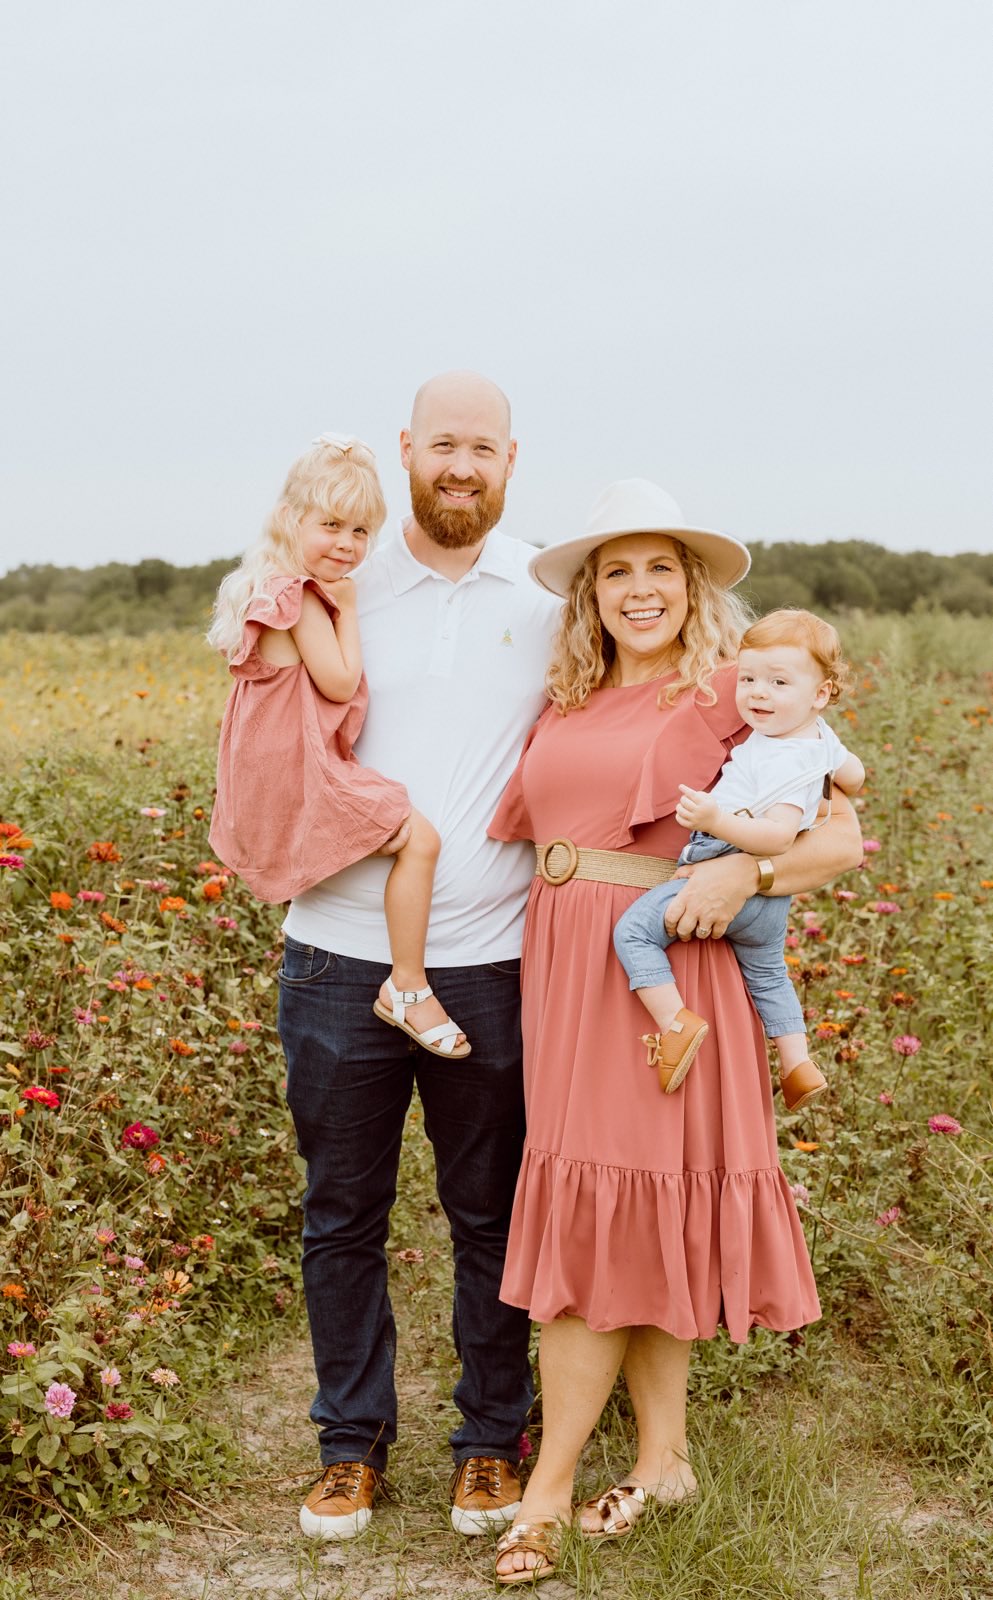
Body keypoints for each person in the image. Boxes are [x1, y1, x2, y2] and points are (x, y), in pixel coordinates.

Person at [486, 479, 863, 1584]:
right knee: (621, 1204)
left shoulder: (723, 696)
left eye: (660, 568)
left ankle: (547, 1488)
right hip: (567, 965)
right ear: (589, 595)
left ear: (690, 586)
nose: (639, 589)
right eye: (617, 571)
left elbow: (841, 832)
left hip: (669, 971)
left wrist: (747, 864)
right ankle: (665, 1458)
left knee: (610, 1208)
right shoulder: (567, 698)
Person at [274, 374, 562, 1540]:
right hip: (336, 954)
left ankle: (493, 1439)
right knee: (342, 1209)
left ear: (508, 460)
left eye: (481, 448)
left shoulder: (547, 593)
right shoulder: (337, 577)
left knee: (489, 1210)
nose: (460, 464)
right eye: (442, 442)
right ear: (405, 449)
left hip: (491, 958)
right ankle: (351, 1443)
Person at [207, 433, 469, 1058]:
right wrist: (347, 608)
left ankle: (399, 981)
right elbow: (339, 680)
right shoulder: (296, 600)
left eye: (360, 533)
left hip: (274, 769)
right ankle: (406, 986)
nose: (347, 546)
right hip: (301, 770)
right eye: (331, 526)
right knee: (422, 842)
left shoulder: (264, 586)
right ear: (292, 518)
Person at [613, 607, 865, 1110]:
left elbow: (773, 838)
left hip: (732, 861)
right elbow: (853, 776)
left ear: (820, 694)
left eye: (777, 682)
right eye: (747, 678)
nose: (757, 693)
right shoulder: (818, 739)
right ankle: (797, 1063)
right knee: (769, 973)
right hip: (773, 902)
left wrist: (713, 819)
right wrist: (834, 774)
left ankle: (674, 1024)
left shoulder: (780, 756)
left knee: (634, 933)